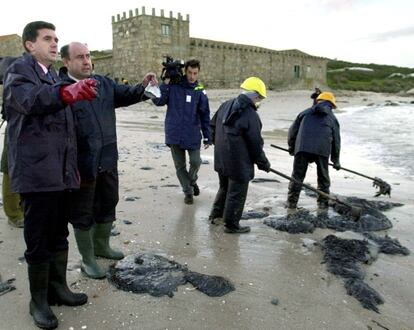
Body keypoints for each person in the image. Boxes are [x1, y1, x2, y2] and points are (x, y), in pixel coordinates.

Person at [3, 21, 98, 329]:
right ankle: (38, 300)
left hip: (60, 174)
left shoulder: (52, 76)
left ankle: (58, 289)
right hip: (36, 174)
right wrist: (67, 94)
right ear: (30, 44)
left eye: (57, 39)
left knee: (59, 233)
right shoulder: (19, 72)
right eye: (47, 39)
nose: (55, 43)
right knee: (39, 239)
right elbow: (32, 101)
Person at [59, 42, 157, 279]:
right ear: (66, 62)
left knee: (108, 202)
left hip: (108, 157)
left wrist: (144, 86)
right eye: (80, 57)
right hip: (82, 164)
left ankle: (102, 246)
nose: (86, 61)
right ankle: (87, 259)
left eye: (88, 56)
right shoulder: (60, 91)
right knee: (83, 212)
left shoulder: (103, 83)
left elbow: (128, 95)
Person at [209, 77, 271, 234]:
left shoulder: (225, 105)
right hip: (239, 163)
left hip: (222, 158)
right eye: (260, 98)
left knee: (224, 187)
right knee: (237, 192)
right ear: (255, 96)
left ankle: (216, 216)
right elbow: (256, 145)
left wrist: (220, 145)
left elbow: (212, 126)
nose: (260, 102)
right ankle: (231, 225)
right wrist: (263, 163)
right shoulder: (251, 115)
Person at [153, 59, 211, 205]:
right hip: (174, 133)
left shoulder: (200, 90)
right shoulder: (173, 85)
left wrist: (207, 136)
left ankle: (191, 181)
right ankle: (188, 192)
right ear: (185, 71)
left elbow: (205, 115)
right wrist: (165, 83)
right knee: (180, 166)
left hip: (192, 133)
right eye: (190, 73)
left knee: (196, 162)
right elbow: (159, 101)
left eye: (195, 73)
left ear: (198, 73)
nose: (192, 76)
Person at [286, 91, 341, 210]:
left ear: (318, 101)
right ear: (331, 104)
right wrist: (335, 160)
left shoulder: (304, 113)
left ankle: (291, 204)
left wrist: (292, 148)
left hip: (302, 148)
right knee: (323, 178)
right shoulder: (332, 118)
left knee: (297, 177)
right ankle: (322, 204)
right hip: (322, 150)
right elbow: (336, 141)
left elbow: (292, 132)